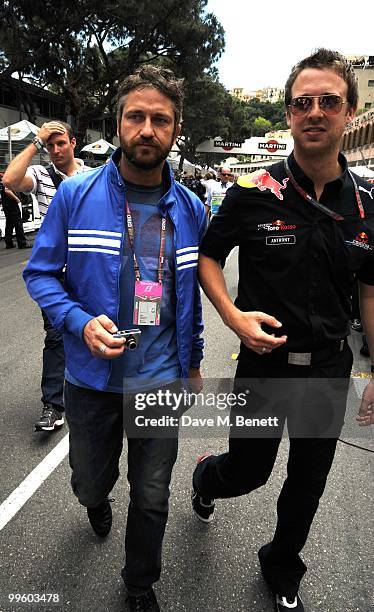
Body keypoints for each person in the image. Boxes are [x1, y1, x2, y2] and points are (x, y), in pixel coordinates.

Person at [191, 49, 374, 612]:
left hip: (326, 367)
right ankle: (206, 479)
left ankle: (282, 565)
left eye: (328, 101)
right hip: (264, 366)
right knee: (247, 473)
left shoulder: (367, 206)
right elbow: (208, 256)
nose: (314, 112)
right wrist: (231, 314)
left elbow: (369, 292)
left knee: (308, 482)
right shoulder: (253, 189)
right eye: (302, 102)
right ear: (289, 113)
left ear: (350, 111)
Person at [23, 65, 205, 612]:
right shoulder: (76, 195)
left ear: (175, 131)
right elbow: (39, 273)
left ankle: (139, 583)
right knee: (88, 482)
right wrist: (79, 322)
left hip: (160, 381)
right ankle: (94, 501)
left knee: (152, 497)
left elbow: (188, 300)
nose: (147, 130)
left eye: (161, 120)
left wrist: (193, 365)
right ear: (119, 122)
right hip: (89, 379)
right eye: (136, 117)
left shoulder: (191, 210)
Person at [3, 121, 90, 432]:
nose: (55, 150)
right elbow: (10, 180)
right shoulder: (40, 175)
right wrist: (35, 142)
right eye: (49, 145)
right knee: (55, 337)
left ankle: (96, 391)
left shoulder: (92, 177)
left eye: (60, 143)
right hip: (53, 274)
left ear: (73, 143)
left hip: (88, 271)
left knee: (92, 328)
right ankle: (54, 405)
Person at [0, 173, 31, 249]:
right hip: (12, 204)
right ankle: (22, 243)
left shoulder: (1, 184)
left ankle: (9, 243)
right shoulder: (7, 182)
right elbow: (7, 191)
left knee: (9, 224)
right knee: (18, 223)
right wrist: (16, 199)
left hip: (6, 205)